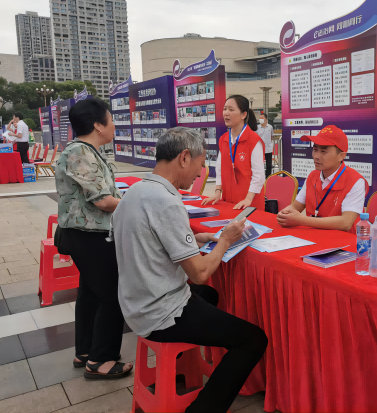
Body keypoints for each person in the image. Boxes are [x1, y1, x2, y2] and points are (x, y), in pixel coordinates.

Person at [112, 127, 268, 413]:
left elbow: (149, 239)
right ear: (184, 157)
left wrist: (195, 239)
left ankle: (181, 371)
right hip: (160, 311)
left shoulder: (135, 191)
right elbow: (200, 273)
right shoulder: (166, 201)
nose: (199, 174)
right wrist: (225, 240)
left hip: (134, 303)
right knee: (253, 339)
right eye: (200, 164)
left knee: (209, 296)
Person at [53, 98, 132, 380]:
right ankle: (100, 361)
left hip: (88, 234)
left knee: (90, 294)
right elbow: (103, 201)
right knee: (112, 296)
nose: (114, 125)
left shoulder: (88, 151)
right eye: (111, 119)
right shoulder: (79, 152)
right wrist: (139, 207)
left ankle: (85, 351)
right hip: (89, 236)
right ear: (98, 125)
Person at [277, 125, 369, 233]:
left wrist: (302, 220)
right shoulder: (312, 176)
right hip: (314, 236)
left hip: (344, 240)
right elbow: (295, 207)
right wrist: (285, 214)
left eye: (323, 151)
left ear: (341, 156)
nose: (316, 156)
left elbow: (346, 222)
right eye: (315, 150)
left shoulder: (355, 181)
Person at [202, 95, 266, 210]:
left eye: (231, 110)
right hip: (229, 200)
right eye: (225, 109)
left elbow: (259, 175)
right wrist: (217, 191)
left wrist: (248, 199)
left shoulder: (254, 140)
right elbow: (219, 168)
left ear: (243, 115)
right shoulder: (223, 139)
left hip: (249, 203)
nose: (226, 113)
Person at [256, 113, 274, 177]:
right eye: (260, 118)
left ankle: (268, 178)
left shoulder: (270, 127)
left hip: (268, 149)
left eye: (262, 118)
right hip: (260, 149)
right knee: (260, 165)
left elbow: (271, 136)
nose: (260, 119)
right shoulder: (257, 127)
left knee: (269, 165)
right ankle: (261, 177)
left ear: (266, 119)